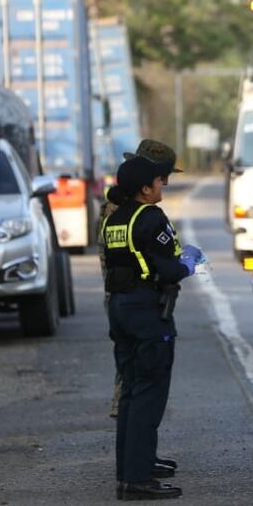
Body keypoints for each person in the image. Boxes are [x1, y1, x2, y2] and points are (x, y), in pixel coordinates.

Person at [102, 155, 201, 500]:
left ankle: (128, 472)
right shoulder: (151, 217)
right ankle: (138, 479)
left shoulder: (114, 220)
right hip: (146, 311)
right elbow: (169, 268)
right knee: (149, 392)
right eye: (159, 181)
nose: (163, 186)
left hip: (120, 308)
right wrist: (189, 261)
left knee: (131, 391)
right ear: (145, 189)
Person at [101, 139, 182, 430]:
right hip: (134, 297)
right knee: (138, 388)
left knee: (136, 388)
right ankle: (136, 462)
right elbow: (134, 256)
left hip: (128, 297)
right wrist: (177, 265)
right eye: (162, 177)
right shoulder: (127, 209)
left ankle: (138, 457)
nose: (166, 183)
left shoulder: (131, 206)